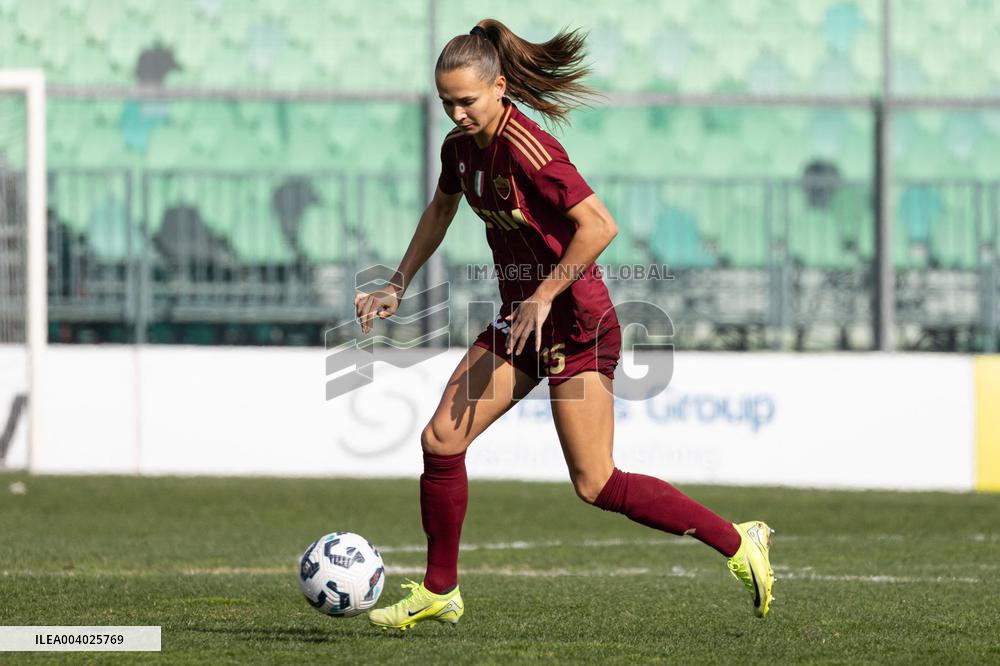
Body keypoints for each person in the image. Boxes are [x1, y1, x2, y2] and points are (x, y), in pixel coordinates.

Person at [354, 20, 774, 631]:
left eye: (467, 100)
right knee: (441, 441)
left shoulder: (532, 150)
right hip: (520, 319)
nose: (456, 112)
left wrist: (546, 294)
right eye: (446, 101)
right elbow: (442, 208)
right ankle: (441, 591)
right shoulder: (459, 149)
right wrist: (399, 282)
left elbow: (600, 226)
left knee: (596, 482)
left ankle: (739, 542)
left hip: (576, 323)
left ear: (499, 87)